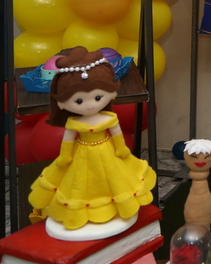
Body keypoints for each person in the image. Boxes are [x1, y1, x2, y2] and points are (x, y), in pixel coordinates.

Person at [28, 47, 157, 231]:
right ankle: (85, 210)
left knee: (114, 180)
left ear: (112, 92)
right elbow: (67, 141)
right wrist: (65, 157)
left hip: (108, 152)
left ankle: (114, 206)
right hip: (81, 154)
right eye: (79, 101)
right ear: (62, 102)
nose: (89, 106)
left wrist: (122, 149)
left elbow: (117, 134)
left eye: (97, 97)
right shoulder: (74, 122)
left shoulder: (108, 118)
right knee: (80, 183)